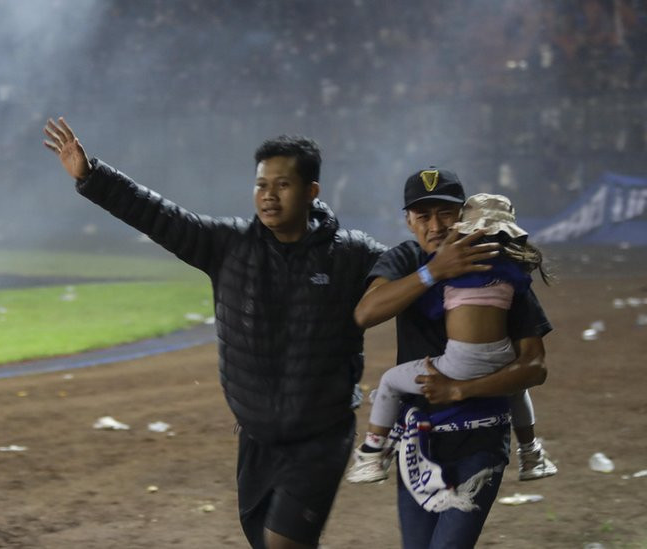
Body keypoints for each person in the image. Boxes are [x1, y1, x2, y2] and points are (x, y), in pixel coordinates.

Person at [42, 117, 392, 549]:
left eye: (282, 185)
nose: (268, 195)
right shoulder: (228, 245)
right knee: (267, 541)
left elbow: (402, 268)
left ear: (311, 192)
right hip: (256, 435)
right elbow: (159, 215)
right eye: (261, 185)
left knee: (283, 543)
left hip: (320, 435)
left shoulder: (350, 253)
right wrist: (92, 176)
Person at [353, 167, 553, 548]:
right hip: (418, 441)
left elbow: (535, 366)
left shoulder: (494, 258)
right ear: (408, 220)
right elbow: (365, 313)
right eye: (423, 215)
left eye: (445, 214)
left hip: (481, 437)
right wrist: (432, 273)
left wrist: (462, 390)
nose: (435, 225)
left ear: (462, 215)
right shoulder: (407, 259)